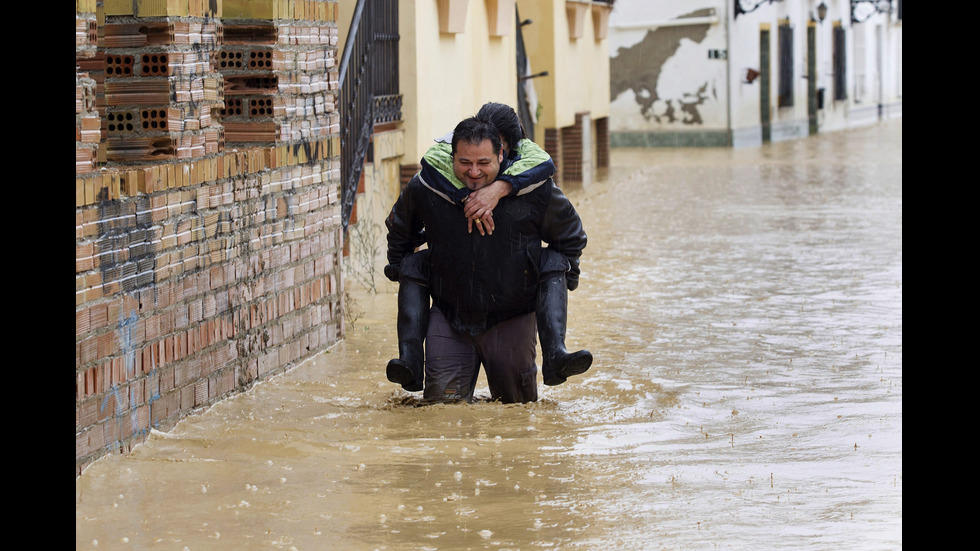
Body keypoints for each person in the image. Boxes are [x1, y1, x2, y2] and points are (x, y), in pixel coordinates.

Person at [384, 116, 589, 403]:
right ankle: (410, 363)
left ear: (502, 156)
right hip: (449, 315)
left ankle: (556, 356)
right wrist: (400, 268)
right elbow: (399, 231)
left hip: (512, 315)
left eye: (484, 163)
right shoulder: (426, 187)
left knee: (518, 416)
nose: (474, 172)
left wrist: (565, 277)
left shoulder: (536, 190)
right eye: (465, 162)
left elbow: (570, 235)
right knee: (440, 415)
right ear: (451, 156)